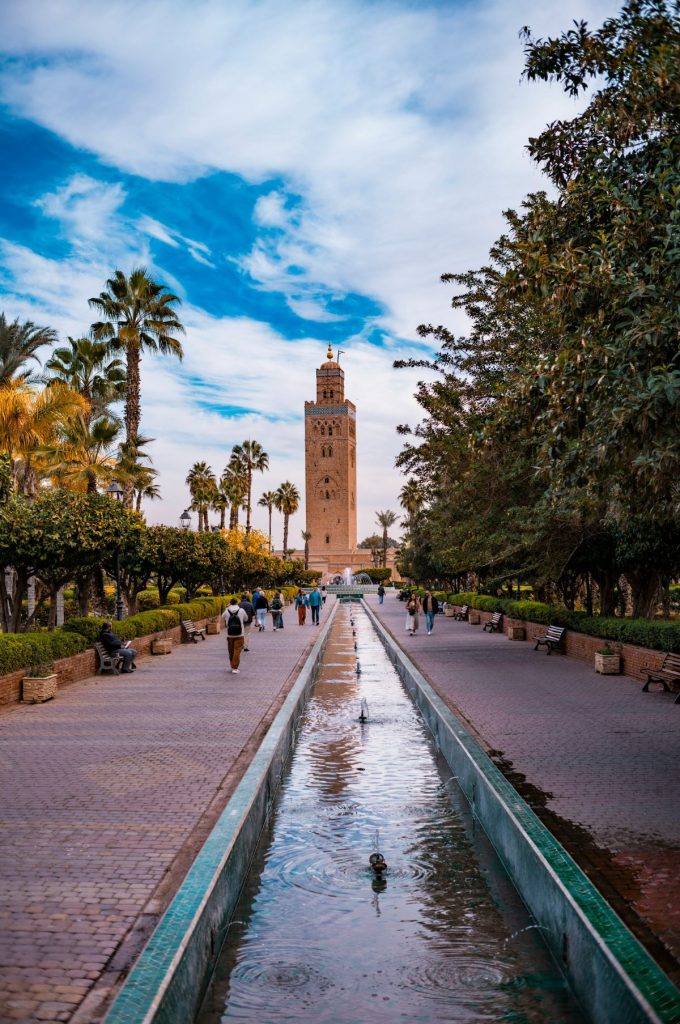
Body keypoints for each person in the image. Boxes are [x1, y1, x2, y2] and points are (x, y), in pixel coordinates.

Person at [222, 598, 248, 673]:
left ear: (230, 603)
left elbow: (222, 617)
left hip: (230, 634)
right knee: (237, 650)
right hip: (240, 633)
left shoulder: (227, 610)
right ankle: (235, 667)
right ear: (237, 603)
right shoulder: (241, 610)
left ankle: (232, 665)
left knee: (231, 650)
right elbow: (246, 619)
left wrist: (227, 607)